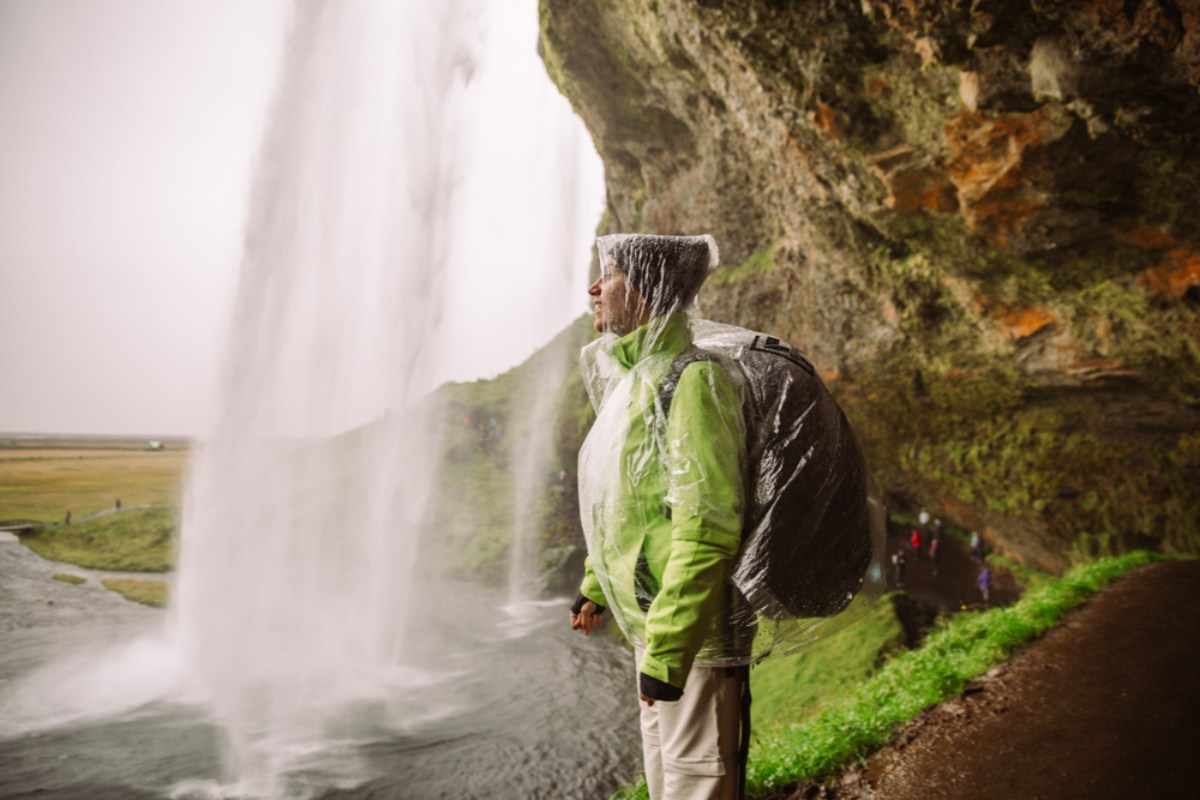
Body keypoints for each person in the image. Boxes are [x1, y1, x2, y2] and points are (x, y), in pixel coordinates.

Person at [569, 233, 748, 800]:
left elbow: (707, 524)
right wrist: (596, 586)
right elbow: (627, 505)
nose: (595, 287)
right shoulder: (634, 379)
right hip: (655, 621)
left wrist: (671, 648)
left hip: (694, 631)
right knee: (663, 778)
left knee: (697, 782)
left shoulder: (694, 380)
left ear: (648, 290)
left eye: (612, 274)